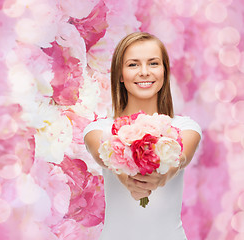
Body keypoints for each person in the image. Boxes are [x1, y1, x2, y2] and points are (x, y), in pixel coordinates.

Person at [83, 32, 202, 240]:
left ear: (164, 71)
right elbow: (103, 154)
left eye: (153, 63)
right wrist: (127, 178)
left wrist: (165, 174)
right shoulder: (98, 130)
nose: (145, 72)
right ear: (120, 75)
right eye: (133, 65)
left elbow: (182, 156)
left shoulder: (185, 127)